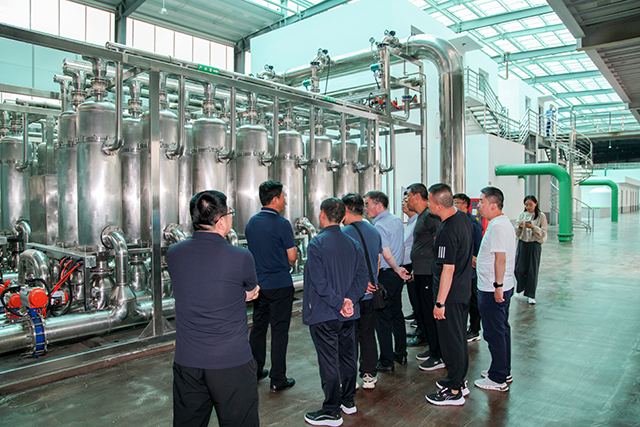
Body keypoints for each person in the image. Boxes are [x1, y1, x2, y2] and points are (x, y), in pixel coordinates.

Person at [167, 190, 260, 427]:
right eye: (229, 213)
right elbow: (251, 291)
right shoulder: (241, 257)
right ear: (220, 222)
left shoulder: (174, 254)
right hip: (231, 363)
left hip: (188, 362)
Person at [303, 198, 369, 427]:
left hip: (324, 313)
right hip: (349, 314)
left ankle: (331, 410)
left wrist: (339, 302)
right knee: (348, 357)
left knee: (329, 361)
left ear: (322, 215)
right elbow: (362, 277)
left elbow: (318, 282)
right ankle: (347, 400)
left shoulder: (317, 243)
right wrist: (349, 300)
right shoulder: (353, 243)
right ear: (342, 217)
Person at [245, 180, 297, 392]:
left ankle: (255, 370)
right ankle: (278, 378)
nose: (284, 200)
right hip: (280, 285)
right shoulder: (282, 224)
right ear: (275, 199)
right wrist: (286, 263)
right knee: (279, 331)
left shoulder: (251, 223)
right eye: (283, 196)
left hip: (259, 285)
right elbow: (292, 257)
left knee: (258, 328)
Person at [424, 184, 473, 406]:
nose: (427, 204)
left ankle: (454, 391)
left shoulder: (447, 230)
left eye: (429, 201)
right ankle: (459, 380)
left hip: (450, 296)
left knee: (451, 343)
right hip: (462, 291)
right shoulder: (463, 218)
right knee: (459, 339)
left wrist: (440, 303)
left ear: (438, 206)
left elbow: (448, 269)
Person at [474, 186, 517, 393]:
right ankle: (502, 369)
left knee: (494, 333)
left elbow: (501, 258)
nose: (479, 206)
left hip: (493, 288)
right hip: (496, 285)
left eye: (482, 202)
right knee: (501, 330)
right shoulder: (498, 223)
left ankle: (498, 378)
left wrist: (498, 286)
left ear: (493, 205)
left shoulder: (498, 226)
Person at [364, 191, 411, 372]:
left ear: (378, 205)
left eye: (368, 204)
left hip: (386, 274)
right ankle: (401, 353)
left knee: (382, 319)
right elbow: (402, 246)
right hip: (396, 275)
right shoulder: (396, 220)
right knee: (396, 314)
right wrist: (399, 268)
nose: (366, 208)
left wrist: (393, 269)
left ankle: (386, 361)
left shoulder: (379, 226)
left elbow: (385, 253)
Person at [341, 193, 383, 390]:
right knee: (367, 334)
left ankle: (348, 378)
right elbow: (377, 260)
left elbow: (344, 266)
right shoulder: (374, 230)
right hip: (371, 293)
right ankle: (369, 374)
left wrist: (359, 283)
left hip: (352, 295)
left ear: (346, 209)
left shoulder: (344, 233)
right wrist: (371, 280)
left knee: (349, 337)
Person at [405, 183, 442, 368]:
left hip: (428, 273)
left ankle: (438, 354)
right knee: (424, 312)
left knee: (429, 313)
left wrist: (430, 265)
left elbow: (438, 241)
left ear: (418, 196)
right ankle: (432, 347)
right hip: (420, 271)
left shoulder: (430, 216)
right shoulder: (421, 216)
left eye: (409, 196)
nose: (407, 200)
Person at [453, 193, 484, 342]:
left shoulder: (473, 224)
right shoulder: (458, 221)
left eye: (456, 203)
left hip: (471, 269)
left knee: (472, 299)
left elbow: (479, 247)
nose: (454, 206)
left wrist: (474, 257)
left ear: (465, 205)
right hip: (461, 268)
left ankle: (475, 329)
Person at [514, 195, 548, 305]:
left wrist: (533, 227)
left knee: (532, 270)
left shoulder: (541, 216)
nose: (528, 207)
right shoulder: (522, 215)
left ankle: (530, 295)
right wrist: (520, 227)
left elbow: (543, 233)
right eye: (526, 205)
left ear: (536, 204)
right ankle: (521, 288)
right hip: (523, 244)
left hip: (534, 244)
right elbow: (516, 233)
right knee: (518, 269)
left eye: (531, 205)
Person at [401, 193, 420, 336]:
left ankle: (421, 329)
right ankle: (417, 318)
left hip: (415, 265)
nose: (403, 204)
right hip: (408, 265)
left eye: (406, 201)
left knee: (417, 298)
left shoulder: (419, 221)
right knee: (413, 297)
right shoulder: (410, 221)